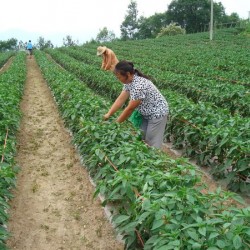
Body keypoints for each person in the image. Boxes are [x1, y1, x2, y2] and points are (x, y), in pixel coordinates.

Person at [103, 60, 169, 149]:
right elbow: (120, 99)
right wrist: (109, 113)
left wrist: (117, 123)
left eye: (119, 77)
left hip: (157, 113)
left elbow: (130, 109)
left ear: (128, 74)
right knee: (141, 136)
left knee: (152, 142)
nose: (118, 79)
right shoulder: (129, 82)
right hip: (146, 113)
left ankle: (154, 159)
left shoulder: (139, 86)